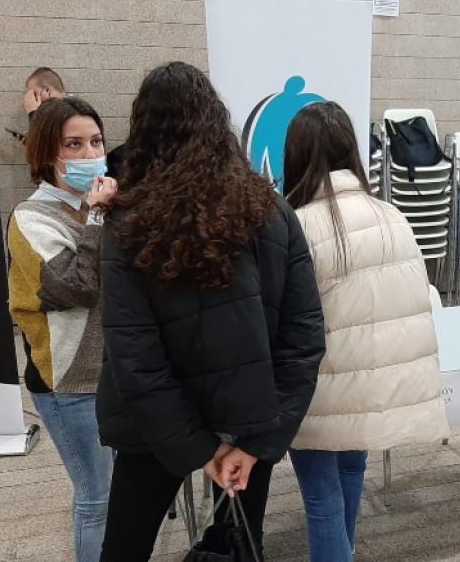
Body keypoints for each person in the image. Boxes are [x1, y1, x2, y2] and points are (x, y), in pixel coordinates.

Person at [95, 61, 326, 562]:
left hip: (152, 429)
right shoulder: (271, 211)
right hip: (247, 419)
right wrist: (255, 441)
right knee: (240, 546)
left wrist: (199, 449)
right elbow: (304, 336)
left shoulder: (127, 223)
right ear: (216, 124)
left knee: (124, 549)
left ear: (143, 131)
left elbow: (136, 358)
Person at [282, 101, 450, 562]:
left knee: (320, 499)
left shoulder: (296, 225)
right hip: (372, 385)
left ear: (295, 156)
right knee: (351, 471)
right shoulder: (391, 215)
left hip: (319, 388)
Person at [7, 96, 117, 562]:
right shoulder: (30, 218)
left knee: (118, 495)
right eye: (73, 144)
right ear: (47, 154)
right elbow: (78, 287)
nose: (89, 154)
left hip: (114, 373)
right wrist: (97, 215)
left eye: (95, 141)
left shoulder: (100, 207)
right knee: (96, 497)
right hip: (69, 381)